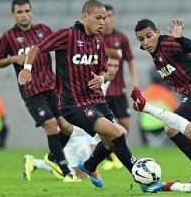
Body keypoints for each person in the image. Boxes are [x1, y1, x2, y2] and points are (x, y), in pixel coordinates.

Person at [18, 0, 137, 188]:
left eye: (104, 18)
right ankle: (140, 175)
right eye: (98, 18)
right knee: (117, 132)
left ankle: (89, 166)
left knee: (111, 142)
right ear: (84, 16)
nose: (102, 22)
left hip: (97, 100)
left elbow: (102, 70)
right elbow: (37, 48)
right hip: (73, 104)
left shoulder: (99, 42)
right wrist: (27, 68)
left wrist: (101, 77)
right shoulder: (67, 36)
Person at [0, 0, 80, 182]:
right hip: (31, 91)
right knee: (51, 125)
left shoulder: (43, 30)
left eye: (26, 11)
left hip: (52, 87)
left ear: (31, 12)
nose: (24, 15)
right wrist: (13, 59)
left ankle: (50, 158)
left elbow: (58, 48)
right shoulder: (8, 37)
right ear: (13, 15)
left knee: (67, 127)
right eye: (19, 12)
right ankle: (65, 172)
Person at [134, 18, 191, 182]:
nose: (146, 41)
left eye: (149, 36)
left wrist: (179, 38)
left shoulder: (165, 43)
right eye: (141, 39)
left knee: (171, 129)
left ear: (158, 33)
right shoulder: (155, 53)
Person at [23, 51, 122, 181]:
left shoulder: (105, 80)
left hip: (83, 126)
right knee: (79, 174)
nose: (113, 69)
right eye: (110, 65)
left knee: (86, 167)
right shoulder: (92, 77)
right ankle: (46, 164)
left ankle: (35, 162)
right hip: (73, 127)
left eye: (116, 66)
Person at [101, 4, 138, 170]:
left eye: (109, 16)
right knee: (106, 126)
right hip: (101, 91)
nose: (107, 20)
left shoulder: (121, 38)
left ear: (113, 17)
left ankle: (115, 154)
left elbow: (130, 60)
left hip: (118, 89)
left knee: (125, 124)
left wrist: (134, 81)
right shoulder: (96, 39)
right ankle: (111, 159)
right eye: (104, 17)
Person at [139, 68, 177, 146]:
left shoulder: (144, 93)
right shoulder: (167, 93)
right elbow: (176, 111)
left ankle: (145, 143)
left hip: (146, 126)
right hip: (162, 126)